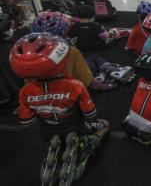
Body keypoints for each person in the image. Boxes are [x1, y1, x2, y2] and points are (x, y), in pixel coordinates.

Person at [10, 33, 110, 184]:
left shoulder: (24, 91)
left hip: (46, 132)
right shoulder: (75, 85)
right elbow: (90, 113)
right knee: (105, 124)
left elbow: (26, 122)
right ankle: (89, 142)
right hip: (77, 126)